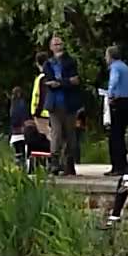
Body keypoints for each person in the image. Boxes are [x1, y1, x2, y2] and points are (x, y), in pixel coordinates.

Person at [42, 36, 82, 176]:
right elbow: (49, 82)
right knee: (56, 133)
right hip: (54, 104)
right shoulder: (48, 64)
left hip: (69, 103)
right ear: (51, 47)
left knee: (70, 134)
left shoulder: (70, 61)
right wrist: (66, 82)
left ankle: (69, 164)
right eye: (55, 44)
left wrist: (59, 83)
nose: (58, 47)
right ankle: (54, 163)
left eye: (60, 44)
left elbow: (76, 80)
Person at [105, 45, 128, 176]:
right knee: (120, 134)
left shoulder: (115, 67)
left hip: (118, 102)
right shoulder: (126, 67)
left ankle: (117, 166)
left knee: (115, 136)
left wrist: (110, 94)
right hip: (127, 101)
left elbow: (114, 81)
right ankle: (122, 164)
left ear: (110, 56)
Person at [30, 52, 52, 136]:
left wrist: (36, 112)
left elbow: (42, 95)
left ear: (37, 63)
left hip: (42, 113)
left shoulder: (42, 78)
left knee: (46, 137)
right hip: (49, 112)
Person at [9, 85, 31, 166]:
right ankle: (24, 164)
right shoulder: (22, 103)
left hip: (15, 131)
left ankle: (19, 165)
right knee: (23, 149)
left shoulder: (13, 104)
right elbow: (24, 115)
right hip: (22, 129)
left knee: (18, 151)